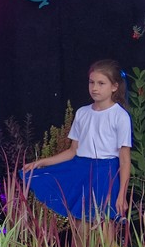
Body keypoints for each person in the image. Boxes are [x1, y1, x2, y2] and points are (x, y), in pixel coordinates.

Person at [22, 60, 132, 223]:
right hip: (80, 171)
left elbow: (124, 160)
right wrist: (41, 162)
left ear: (114, 86)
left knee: (104, 225)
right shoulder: (82, 113)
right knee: (80, 224)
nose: (95, 88)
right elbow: (73, 151)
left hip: (105, 175)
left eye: (101, 83)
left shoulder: (120, 116)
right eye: (91, 82)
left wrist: (122, 194)